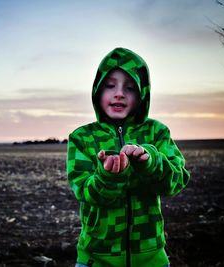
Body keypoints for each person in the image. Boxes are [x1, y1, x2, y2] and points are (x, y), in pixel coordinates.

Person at [66, 47, 191, 267]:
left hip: (151, 258)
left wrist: (150, 161)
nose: (119, 93)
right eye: (110, 85)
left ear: (143, 93)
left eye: (130, 87)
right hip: (96, 258)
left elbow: (177, 180)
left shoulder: (156, 133)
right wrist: (107, 176)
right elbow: (83, 190)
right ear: (97, 89)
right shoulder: (82, 138)